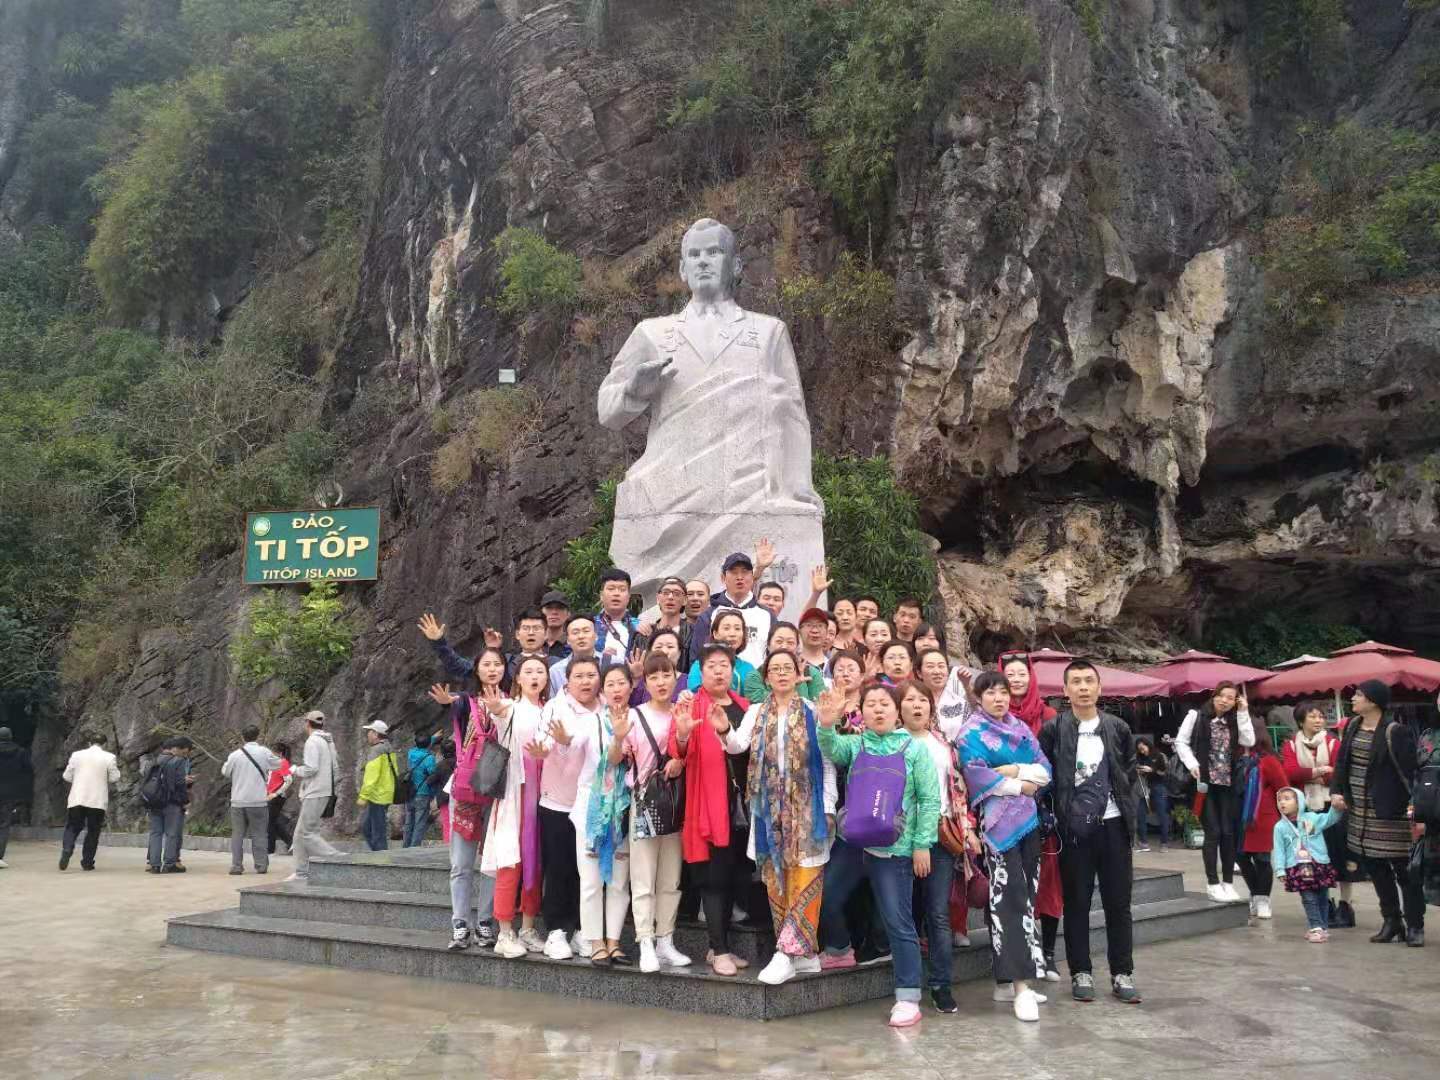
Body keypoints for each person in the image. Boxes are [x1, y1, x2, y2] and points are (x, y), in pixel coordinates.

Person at [598, 216, 824, 604]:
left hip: (748, 487)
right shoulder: (652, 333)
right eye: (694, 255)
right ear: (682, 269)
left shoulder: (768, 331)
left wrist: (799, 485)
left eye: (714, 252)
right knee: (668, 611)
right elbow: (607, 410)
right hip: (673, 490)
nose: (703, 261)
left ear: (735, 265)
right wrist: (634, 391)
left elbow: (791, 414)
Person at [816, 682, 940, 1028]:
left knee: (898, 922)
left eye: (885, 703)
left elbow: (930, 800)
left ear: (897, 711)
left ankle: (908, 996)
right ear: (863, 712)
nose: (878, 709)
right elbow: (831, 747)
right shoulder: (857, 744)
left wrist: (922, 844)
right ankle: (839, 949)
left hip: (895, 849)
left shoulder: (914, 749)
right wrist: (826, 723)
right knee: (826, 896)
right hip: (854, 842)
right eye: (871, 704)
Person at [719, 649, 834, 986]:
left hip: (808, 808)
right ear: (766, 677)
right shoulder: (756, 711)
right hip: (768, 811)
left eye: (788, 668)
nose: (782, 673)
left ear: (799, 675)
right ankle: (805, 955)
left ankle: (786, 952)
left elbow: (827, 761)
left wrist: (829, 806)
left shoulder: (813, 711)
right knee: (777, 880)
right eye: (775, 669)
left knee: (806, 876)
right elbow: (737, 746)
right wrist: (724, 730)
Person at [1039, 660, 1141, 1005]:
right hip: (1074, 830)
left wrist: (1127, 813)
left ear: (1099, 688)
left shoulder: (1118, 727)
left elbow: (1129, 774)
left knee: (1119, 903)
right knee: (1076, 903)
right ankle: (1080, 971)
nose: (1083, 687)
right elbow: (1045, 774)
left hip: (1114, 824)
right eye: (1076, 682)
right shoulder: (1054, 729)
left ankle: (1122, 972)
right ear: (1065, 690)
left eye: (1088, 681)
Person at [957, 671, 1052, 1022]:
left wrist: (1011, 769)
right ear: (978, 697)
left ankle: (1007, 981)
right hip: (997, 830)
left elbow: (1044, 770)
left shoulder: (1021, 728)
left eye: (1003, 692)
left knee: (1025, 899)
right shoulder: (970, 733)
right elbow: (977, 776)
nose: (998, 698)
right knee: (1008, 901)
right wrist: (1020, 784)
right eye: (990, 692)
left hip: (1029, 825)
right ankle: (1021, 987)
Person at [536, 663, 635, 965]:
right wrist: (563, 741)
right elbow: (573, 744)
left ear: (631, 686)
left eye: (621, 683)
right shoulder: (591, 721)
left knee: (618, 882)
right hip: (591, 810)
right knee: (589, 879)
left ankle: (613, 941)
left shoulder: (638, 718)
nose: (616, 689)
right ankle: (594, 941)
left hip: (625, 809)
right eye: (610, 684)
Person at [670, 643, 750, 976]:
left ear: (733, 671)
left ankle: (719, 947)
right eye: (712, 665)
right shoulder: (691, 705)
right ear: (700, 672)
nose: (719, 671)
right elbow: (676, 751)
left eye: (724, 665)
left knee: (732, 875)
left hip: (741, 806)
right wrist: (683, 734)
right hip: (708, 803)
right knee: (713, 878)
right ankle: (719, 951)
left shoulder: (744, 705)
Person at [612, 653, 692, 972]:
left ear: (675, 678)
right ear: (645, 682)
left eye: (666, 675)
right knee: (643, 876)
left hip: (675, 802)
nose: (661, 682)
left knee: (671, 876)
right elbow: (615, 759)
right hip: (644, 802)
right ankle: (645, 940)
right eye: (654, 677)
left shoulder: (682, 712)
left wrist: (681, 759)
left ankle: (665, 940)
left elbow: (691, 753)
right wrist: (618, 737)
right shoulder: (635, 715)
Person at [1330, 680, 1423, 946]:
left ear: (1373, 701)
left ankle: (1415, 925)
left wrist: (1415, 808)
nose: (1353, 699)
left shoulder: (1396, 731)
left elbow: (1411, 772)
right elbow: (1342, 763)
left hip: (1391, 813)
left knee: (1405, 871)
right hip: (1360, 812)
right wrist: (1336, 791)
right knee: (1376, 869)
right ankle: (1391, 921)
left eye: (1359, 695)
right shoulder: (1352, 726)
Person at [428, 651, 506, 949]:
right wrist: (447, 701)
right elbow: (454, 701)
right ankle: (460, 923)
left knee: (490, 862)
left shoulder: (512, 703)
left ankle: (485, 922)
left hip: (497, 791)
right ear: (476, 669)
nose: (492, 669)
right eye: (486, 664)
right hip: (466, 790)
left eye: (497, 664)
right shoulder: (466, 702)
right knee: (461, 863)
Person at [898, 680, 963, 1014]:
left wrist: (966, 828)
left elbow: (957, 788)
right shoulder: (892, 741)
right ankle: (905, 984)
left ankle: (941, 984)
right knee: (902, 913)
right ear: (899, 707)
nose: (917, 705)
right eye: (910, 699)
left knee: (938, 912)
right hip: (899, 837)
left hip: (939, 834)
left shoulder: (943, 743)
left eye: (922, 699)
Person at [1001, 653, 1064, 981]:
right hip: (1006, 812)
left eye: (1021, 673)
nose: (1016, 679)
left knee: (1049, 883)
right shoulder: (994, 718)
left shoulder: (1049, 716)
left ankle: (1048, 953)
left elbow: (1057, 765)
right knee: (1015, 884)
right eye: (1009, 674)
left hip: (1043, 811)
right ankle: (1024, 952)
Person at [534, 655, 602, 959]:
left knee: (586, 871)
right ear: (568, 680)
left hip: (593, 804)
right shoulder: (555, 707)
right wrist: (552, 744)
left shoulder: (606, 708)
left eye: (591, 675)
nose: (586, 681)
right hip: (558, 802)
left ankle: (582, 931)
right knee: (559, 868)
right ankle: (556, 931)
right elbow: (543, 740)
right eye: (579, 676)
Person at [486, 656, 549, 959]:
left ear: (546, 679)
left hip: (543, 797)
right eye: (529, 671)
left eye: (540, 671)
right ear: (519, 679)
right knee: (510, 862)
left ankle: (527, 927)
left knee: (535, 862)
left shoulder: (550, 711)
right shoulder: (510, 708)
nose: (535, 676)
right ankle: (504, 933)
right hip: (514, 795)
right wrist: (495, 708)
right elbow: (498, 715)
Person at [1174, 680, 1256, 902]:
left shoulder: (1234, 720)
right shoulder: (1196, 716)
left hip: (1228, 783)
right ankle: (1212, 883)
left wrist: (1243, 712)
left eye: (1231, 698)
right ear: (1214, 696)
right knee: (1213, 832)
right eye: (1222, 695)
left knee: (1228, 833)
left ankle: (1228, 883)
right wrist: (1192, 764)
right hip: (1204, 784)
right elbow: (1181, 742)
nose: (1225, 701)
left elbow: (1249, 740)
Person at [1283, 701, 1357, 927]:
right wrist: (1320, 771)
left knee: (1339, 854)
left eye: (1321, 716)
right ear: (1301, 721)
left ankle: (1346, 904)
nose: (1318, 720)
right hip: (1306, 808)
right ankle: (1327, 903)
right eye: (1313, 716)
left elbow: (1339, 774)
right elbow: (1290, 773)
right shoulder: (1291, 744)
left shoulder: (1333, 742)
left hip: (1331, 805)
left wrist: (1310, 775)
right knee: (1314, 856)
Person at [1273, 786, 1344, 941]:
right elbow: (1279, 850)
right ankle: (1315, 927)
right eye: (1279, 799)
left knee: (1322, 897)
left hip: (1319, 864)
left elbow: (1330, 819)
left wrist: (1336, 808)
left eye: (1287, 799)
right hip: (1298, 867)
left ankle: (1323, 927)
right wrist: (1280, 869)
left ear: (1299, 802)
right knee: (1308, 897)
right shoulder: (1280, 827)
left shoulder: (1312, 818)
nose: (1282, 802)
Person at [1237, 731, 1288, 920]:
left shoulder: (1268, 761)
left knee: (1262, 860)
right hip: (1238, 817)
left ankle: (1263, 899)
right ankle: (1255, 894)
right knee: (1241, 858)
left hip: (1262, 818)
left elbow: (1282, 788)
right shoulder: (1235, 758)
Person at [287, 710, 341, 882]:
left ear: (307, 723)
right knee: (300, 834)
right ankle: (301, 872)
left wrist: (295, 770)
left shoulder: (312, 741)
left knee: (306, 833)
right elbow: (335, 767)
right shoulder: (327, 741)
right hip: (324, 790)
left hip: (315, 791)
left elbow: (311, 769)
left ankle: (339, 858)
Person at [221, 725, 281, 875]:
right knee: (260, 834)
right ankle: (261, 865)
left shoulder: (235, 755)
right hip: (258, 801)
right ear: (258, 736)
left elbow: (226, 772)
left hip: (238, 801)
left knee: (237, 835)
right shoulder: (264, 752)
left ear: (243, 737)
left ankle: (236, 866)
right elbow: (278, 764)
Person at [691, 546, 778, 648]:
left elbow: (776, 652)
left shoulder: (767, 615)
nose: (739, 577)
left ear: (752, 577)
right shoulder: (708, 616)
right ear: (723, 578)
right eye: (734, 572)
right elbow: (697, 655)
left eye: (744, 572)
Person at [59, 731, 119, 872]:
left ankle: (67, 849)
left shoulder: (77, 755)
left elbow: (67, 776)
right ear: (105, 744)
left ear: (89, 743)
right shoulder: (109, 757)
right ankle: (87, 862)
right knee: (93, 830)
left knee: (72, 827)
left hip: (77, 797)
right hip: (97, 800)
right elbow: (114, 777)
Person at [686, 608, 762, 699]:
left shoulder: (748, 668)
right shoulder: (700, 665)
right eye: (726, 628)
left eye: (737, 629)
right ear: (715, 634)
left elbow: (756, 698)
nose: (732, 634)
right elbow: (695, 695)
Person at [146, 736, 195, 874]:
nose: (184, 755)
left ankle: (154, 865)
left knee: (155, 833)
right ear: (177, 749)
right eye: (184, 751)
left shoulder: (153, 761)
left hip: (154, 801)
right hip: (172, 802)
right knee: (171, 833)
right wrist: (185, 801)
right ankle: (169, 863)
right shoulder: (178, 761)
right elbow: (179, 784)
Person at [748, 623, 826, 703]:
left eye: (790, 642)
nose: (784, 646)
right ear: (768, 645)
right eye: (779, 641)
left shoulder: (811, 674)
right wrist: (792, 686)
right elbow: (764, 705)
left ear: (797, 647)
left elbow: (821, 706)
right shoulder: (755, 677)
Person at [356, 720, 399, 852]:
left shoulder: (376, 750)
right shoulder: (388, 747)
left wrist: (363, 797)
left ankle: (381, 857)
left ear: (376, 734)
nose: (368, 734)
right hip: (386, 792)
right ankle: (378, 854)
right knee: (367, 828)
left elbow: (371, 777)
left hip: (378, 795)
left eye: (370, 731)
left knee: (377, 832)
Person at [594, 568, 649, 666]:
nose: (616, 593)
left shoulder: (639, 627)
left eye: (622, 590)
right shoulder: (589, 626)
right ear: (601, 595)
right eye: (611, 589)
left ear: (628, 597)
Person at [0, 726, 33, 868]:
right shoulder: (20, 752)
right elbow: (28, 771)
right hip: (10, 793)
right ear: (10, 737)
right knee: (4, 824)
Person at [549, 613, 601, 697]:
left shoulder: (612, 662)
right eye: (575, 632)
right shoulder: (556, 671)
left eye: (586, 631)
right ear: (568, 640)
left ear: (596, 636)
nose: (581, 636)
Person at [1133, 735, 1170, 853]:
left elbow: (1165, 772)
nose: (1142, 751)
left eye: (1142, 748)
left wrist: (1152, 770)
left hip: (1159, 787)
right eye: (1139, 749)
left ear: (1147, 745)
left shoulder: (1159, 755)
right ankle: (1143, 842)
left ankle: (1164, 843)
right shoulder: (1140, 758)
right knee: (1140, 813)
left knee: (1162, 814)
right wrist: (1139, 770)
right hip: (1146, 788)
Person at [652, 577, 695, 671]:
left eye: (677, 593)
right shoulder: (645, 633)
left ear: (685, 600)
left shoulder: (694, 633)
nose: (670, 597)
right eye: (665, 592)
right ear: (658, 598)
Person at [404, 734, 438, 847]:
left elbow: (419, 744)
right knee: (419, 822)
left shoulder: (411, 753)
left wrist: (432, 738)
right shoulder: (429, 758)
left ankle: (405, 846)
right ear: (429, 745)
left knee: (409, 821)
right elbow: (432, 774)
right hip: (423, 792)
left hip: (410, 792)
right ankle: (414, 847)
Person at [266, 742, 295, 856]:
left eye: (273, 753)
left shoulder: (282, 763)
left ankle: (270, 849)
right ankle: (290, 842)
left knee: (269, 822)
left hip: (276, 796)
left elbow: (289, 780)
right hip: (271, 795)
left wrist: (276, 793)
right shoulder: (276, 763)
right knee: (273, 821)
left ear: (280, 753)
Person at [539, 590, 573, 659]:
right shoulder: (533, 642)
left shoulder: (574, 644)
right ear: (541, 612)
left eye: (560, 608)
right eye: (549, 607)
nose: (554, 612)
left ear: (568, 614)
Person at [797, 607, 831, 675]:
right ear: (799, 631)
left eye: (820, 626)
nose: (814, 630)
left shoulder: (834, 665)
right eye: (809, 625)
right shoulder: (792, 664)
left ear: (827, 632)